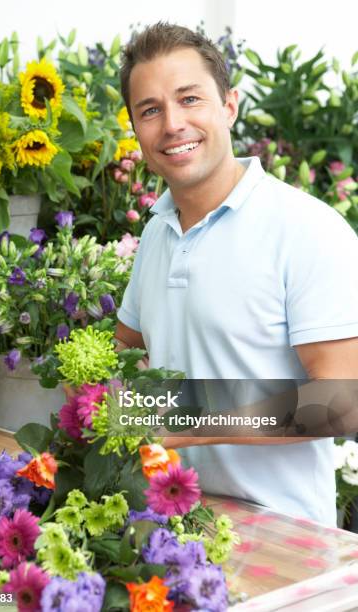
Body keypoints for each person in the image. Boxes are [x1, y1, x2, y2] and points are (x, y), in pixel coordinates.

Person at [115, 22, 358, 525]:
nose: (173, 124)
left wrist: (195, 419)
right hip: (167, 529)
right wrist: (103, 399)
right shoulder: (158, 233)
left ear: (229, 106)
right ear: (136, 128)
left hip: (285, 536)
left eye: (189, 99)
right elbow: (129, 357)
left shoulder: (306, 228)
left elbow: (343, 400)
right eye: (151, 110)